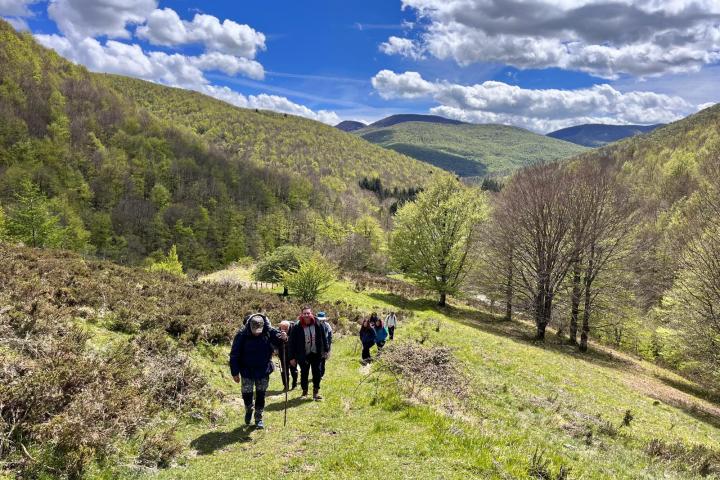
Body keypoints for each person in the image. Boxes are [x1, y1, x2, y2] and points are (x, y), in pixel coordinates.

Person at [229, 313, 287, 429]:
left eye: (259, 330)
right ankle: (249, 409)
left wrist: (284, 337)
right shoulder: (241, 335)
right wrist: (235, 372)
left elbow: (280, 341)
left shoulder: (269, 331)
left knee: (261, 394)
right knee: (247, 394)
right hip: (246, 370)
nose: (257, 332)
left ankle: (258, 417)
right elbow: (234, 354)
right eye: (254, 330)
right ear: (249, 326)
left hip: (263, 370)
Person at [288, 306, 328, 401]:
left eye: (308, 313)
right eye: (304, 313)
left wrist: (326, 350)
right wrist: (292, 357)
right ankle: (304, 392)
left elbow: (324, 337)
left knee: (317, 372)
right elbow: (291, 343)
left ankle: (316, 392)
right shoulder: (297, 326)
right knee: (304, 373)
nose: (306, 315)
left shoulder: (318, 323)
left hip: (316, 353)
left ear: (311, 313)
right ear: (302, 314)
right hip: (303, 354)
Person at [278, 320, 297, 391]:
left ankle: (294, 385)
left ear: (288, 327)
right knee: (284, 371)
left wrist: (286, 338)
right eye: (282, 329)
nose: (283, 330)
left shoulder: (294, 330)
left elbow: (295, 342)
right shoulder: (278, 330)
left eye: (285, 329)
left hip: (292, 354)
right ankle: (286, 386)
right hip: (282, 354)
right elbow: (276, 340)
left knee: (293, 370)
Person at [316, 311, 333, 379]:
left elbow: (330, 336)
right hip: (317, 346)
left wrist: (328, 346)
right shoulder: (314, 325)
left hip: (324, 346)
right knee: (317, 361)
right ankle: (318, 374)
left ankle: (321, 374)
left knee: (323, 361)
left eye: (322, 319)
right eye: (320, 319)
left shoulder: (327, 325)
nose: (321, 321)